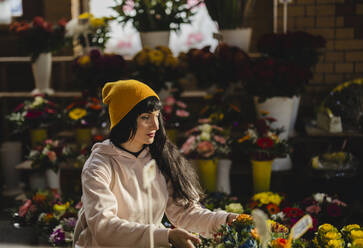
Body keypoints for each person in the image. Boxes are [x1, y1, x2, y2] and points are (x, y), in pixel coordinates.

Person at [73, 80, 238, 248]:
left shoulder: (159, 158)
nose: (155, 125)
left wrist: (228, 220)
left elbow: (185, 213)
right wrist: (166, 236)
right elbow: (104, 228)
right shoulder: (99, 165)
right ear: (124, 120)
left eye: (157, 116)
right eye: (145, 117)